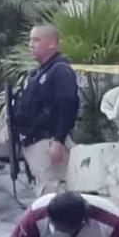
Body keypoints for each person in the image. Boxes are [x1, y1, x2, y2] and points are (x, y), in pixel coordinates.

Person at [15, 24, 79, 196]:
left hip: (48, 142)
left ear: (52, 43)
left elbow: (68, 106)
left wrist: (58, 140)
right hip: (34, 141)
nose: (31, 44)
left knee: (53, 193)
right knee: (45, 189)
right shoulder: (40, 72)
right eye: (30, 39)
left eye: (36, 40)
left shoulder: (60, 71)